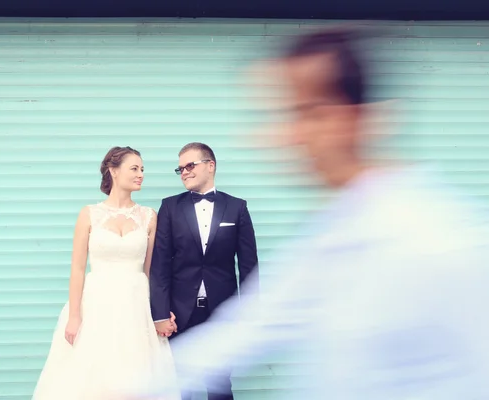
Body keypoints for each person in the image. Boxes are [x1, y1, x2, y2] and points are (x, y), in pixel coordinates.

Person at [124, 27, 489, 399]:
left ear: (363, 118)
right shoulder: (330, 235)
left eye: (309, 113)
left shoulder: (441, 242)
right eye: (283, 115)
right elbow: (246, 329)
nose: (286, 135)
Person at [32, 146, 180, 400]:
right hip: (98, 303)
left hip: (136, 304)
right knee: (93, 373)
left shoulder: (148, 216)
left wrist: (160, 310)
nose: (141, 174)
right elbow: (78, 269)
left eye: (142, 169)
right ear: (113, 171)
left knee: (137, 373)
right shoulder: (89, 214)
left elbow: (151, 271)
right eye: (134, 168)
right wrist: (75, 316)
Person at [149, 142, 259, 400]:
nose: (184, 172)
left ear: (210, 166)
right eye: (180, 169)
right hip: (178, 313)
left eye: (190, 165)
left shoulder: (237, 208)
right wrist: (160, 313)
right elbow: (160, 264)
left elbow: (249, 267)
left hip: (222, 312)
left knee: (220, 385)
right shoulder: (170, 207)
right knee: (180, 386)